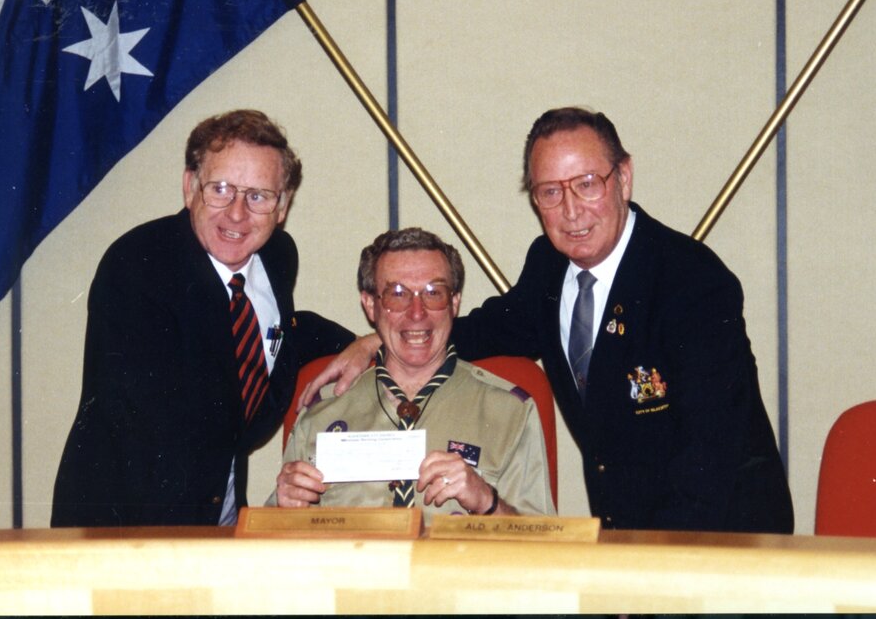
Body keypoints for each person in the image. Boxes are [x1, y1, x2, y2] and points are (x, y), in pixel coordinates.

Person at [310, 107, 794, 534]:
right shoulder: (549, 264)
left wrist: (650, 580)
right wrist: (377, 338)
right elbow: (480, 329)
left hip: (726, 538)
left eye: (586, 185)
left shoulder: (692, 281)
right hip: (631, 537)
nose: (570, 211)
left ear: (623, 178)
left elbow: (708, 458)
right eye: (549, 192)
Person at [51, 109, 355, 527]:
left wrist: (364, 342)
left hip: (220, 517)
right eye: (221, 189)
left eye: (258, 196)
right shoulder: (138, 265)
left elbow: (279, 330)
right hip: (127, 524)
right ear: (189, 186)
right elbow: (177, 413)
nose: (236, 213)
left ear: (282, 206)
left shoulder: (276, 255)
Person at [270, 228, 554, 519]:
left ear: (454, 302)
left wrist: (487, 502)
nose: (417, 312)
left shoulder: (509, 412)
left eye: (434, 293)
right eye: (397, 294)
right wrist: (284, 509)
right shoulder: (323, 411)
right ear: (370, 305)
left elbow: (546, 550)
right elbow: (270, 548)